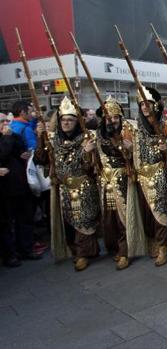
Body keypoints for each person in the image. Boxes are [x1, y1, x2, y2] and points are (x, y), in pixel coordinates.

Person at [34, 97, 100, 271]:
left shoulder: (86, 138)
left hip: (83, 186)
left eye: (70, 120)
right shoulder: (54, 140)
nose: (66, 123)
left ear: (76, 122)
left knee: (84, 220)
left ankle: (83, 254)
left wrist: (87, 152)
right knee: (69, 222)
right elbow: (40, 159)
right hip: (64, 188)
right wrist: (40, 137)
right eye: (63, 120)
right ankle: (76, 251)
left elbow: (89, 167)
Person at [94, 96, 145, 270]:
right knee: (109, 220)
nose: (112, 121)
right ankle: (115, 248)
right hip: (104, 183)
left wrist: (131, 150)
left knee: (125, 218)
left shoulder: (128, 131)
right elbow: (93, 162)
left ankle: (125, 251)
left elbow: (137, 157)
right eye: (109, 117)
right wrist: (88, 154)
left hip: (124, 180)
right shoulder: (98, 135)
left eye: (116, 117)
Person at [132, 86, 167, 266]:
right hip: (143, 176)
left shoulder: (166, 125)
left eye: (148, 103)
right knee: (148, 214)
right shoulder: (137, 127)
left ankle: (164, 247)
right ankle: (153, 244)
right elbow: (135, 152)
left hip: (160, 175)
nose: (144, 107)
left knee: (161, 212)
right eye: (141, 104)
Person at [0, 113, 41, 266]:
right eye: (2, 121)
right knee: (6, 224)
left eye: (7, 121)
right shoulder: (5, 139)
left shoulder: (11, 136)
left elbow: (22, 150)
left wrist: (13, 138)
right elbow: (3, 154)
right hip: (5, 190)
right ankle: (10, 254)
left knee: (24, 219)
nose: (5, 124)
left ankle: (26, 248)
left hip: (20, 185)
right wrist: (6, 138)